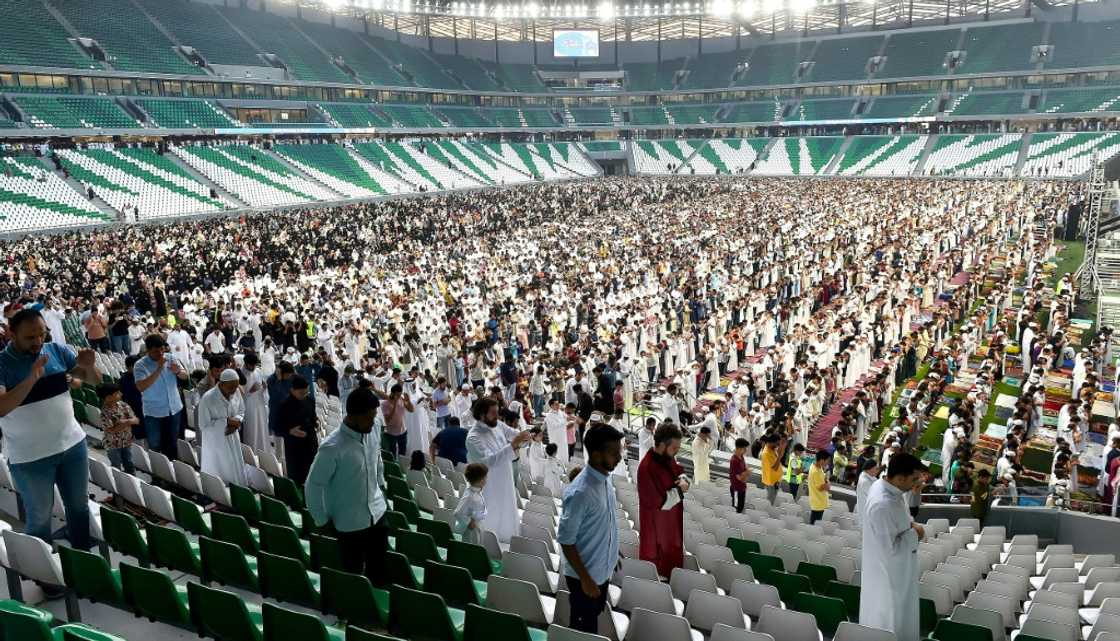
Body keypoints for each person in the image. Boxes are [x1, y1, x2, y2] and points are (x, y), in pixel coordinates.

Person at [0, 309, 99, 555]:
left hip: (72, 445)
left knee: (79, 507)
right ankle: (46, 573)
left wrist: (87, 367)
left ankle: (83, 559)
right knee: (40, 518)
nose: (37, 342)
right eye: (30, 337)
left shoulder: (56, 350)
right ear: (11, 334)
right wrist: (32, 377)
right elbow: (2, 407)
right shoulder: (2, 363)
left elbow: (90, 380)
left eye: (41, 335)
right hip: (30, 457)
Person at [305, 388, 389, 587]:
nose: (373, 420)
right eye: (369, 417)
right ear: (354, 416)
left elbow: (377, 459)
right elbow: (313, 485)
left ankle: (375, 613)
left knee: (379, 569)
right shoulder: (332, 447)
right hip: (350, 523)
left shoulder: (373, 426)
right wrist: (321, 519)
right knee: (353, 574)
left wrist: (382, 485)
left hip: (377, 513)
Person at [557, 424, 624, 635]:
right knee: (583, 630)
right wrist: (585, 580)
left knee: (592, 617)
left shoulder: (604, 477)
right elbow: (566, 540)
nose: (620, 457)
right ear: (595, 455)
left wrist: (612, 550)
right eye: (614, 453)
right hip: (584, 578)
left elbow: (604, 520)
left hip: (599, 570)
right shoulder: (580, 492)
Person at [860, 452, 927, 641]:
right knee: (892, 623)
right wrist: (916, 533)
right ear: (899, 478)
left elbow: (901, 522)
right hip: (890, 579)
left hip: (900, 572)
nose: (917, 483)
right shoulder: (882, 504)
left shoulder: (890, 490)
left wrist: (910, 525)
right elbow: (889, 551)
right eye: (914, 479)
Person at [466, 397, 532, 542]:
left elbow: (515, 435)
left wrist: (524, 439)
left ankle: (507, 542)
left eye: (497, 412)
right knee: (492, 520)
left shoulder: (498, 425)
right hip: (488, 487)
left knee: (507, 514)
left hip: (506, 480)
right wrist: (514, 444)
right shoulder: (473, 438)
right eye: (493, 413)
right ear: (482, 415)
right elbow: (489, 462)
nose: (498, 416)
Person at [638, 422, 689, 578]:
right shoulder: (646, 468)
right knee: (657, 579)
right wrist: (681, 489)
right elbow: (660, 503)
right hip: (656, 538)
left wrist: (684, 480)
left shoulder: (667, 457)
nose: (676, 452)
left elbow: (679, 471)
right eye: (674, 448)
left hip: (670, 530)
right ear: (661, 445)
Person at [133, 334, 188, 461]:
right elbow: (141, 387)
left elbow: (185, 376)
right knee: (155, 445)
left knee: (173, 443)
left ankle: (173, 473)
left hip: (174, 408)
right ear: (148, 350)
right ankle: (158, 475)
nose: (160, 353)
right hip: (154, 412)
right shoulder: (140, 365)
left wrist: (178, 372)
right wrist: (158, 369)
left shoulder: (171, 358)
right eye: (156, 351)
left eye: (162, 349)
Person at [198, 369, 248, 487]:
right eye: (231, 387)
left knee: (234, 467)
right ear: (221, 384)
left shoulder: (236, 392)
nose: (234, 390)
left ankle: (237, 488)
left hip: (233, 436)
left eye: (236, 386)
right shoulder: (208, 398)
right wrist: (226, 422)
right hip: (216, 441)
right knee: (220, 469)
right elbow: (203, 425)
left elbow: (242, 410)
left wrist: (237, 422)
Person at [278, 375, 319, 485]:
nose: (304, 395)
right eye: (301, 393)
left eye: (307, 392)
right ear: (292, 390)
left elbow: (313, 417)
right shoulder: (285, 405)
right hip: (294, 447)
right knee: (298, 476)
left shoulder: (310, 400)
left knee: (313, 473)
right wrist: (290, 431)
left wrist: (316, 422)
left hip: (310, 442)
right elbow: (278, 426)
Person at [98, 383, 138, 473]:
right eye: (117, 393)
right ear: (109, 397)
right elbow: (111, 430)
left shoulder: (123, 405)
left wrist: (123, 423)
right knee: (116, 466)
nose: (121, 394)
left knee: (129, 463)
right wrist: (127, 422)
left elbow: (135, 420)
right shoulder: (105, 412)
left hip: (127, 441)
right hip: (112, 445)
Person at [239, 353, 270, 454]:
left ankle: (262, 452)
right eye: (251, 365)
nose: (253, 367)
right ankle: (251, 453)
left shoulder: (257, 371)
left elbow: (262, 386)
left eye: (254, 365)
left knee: (261, 427)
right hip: (248, 406)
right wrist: (250, 391)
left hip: (259, 404)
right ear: (246, 363)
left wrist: (264, 387)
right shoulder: (240, 374)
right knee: (251, 430)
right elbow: (238, 396)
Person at [453, 462, 488, 545]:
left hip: (479, 525)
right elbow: (457, 513)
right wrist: (469, 522)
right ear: (481, 480)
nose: (486, 479)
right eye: (485, 477)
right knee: (471, 546)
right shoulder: (470, 496)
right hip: (472, 530)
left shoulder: (476, 491)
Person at [543, 398, 570, 466]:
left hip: (562, 435)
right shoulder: (549, 416)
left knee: (564, 450)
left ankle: (564, 464)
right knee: (557, 451)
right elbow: (555, 425)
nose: (558, 406)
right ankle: (557, 465)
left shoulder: (560, 411)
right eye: (556, 404)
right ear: (551, 406)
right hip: (555, 437)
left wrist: (569, 418)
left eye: (558, 404)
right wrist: (565, 420)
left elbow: (566, 416)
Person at [760, 433, 786, 505]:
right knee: (770, 503)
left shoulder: (772, 449)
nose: (778, 446)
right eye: (777, 444)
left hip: (775, 481)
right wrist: (780, 456)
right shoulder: (766, 453)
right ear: (772, 442)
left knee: (772, 501)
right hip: (771, 483)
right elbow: (775, 468)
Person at [808, 450, 831, 524]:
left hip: (817, 501)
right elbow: (824, 487)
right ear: (821, 460)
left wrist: (826, 480)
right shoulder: (816, 472)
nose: (828, 463)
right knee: (814, 524)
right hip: (818, 502)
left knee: (814, 522)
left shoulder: (816, 466)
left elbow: (824, 479)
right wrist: (827, 482)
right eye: (827, 461)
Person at [729, 437, 750, 513]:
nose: (746, 450)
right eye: (744, 448)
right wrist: (747, 473)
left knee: (740, 507)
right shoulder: (734, 461)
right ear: (739, 448)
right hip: (736, 489)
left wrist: (746, 472)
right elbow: (739, 477)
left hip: (742, 488)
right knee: (737, 510)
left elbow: (745, 468)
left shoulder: (741, 457)